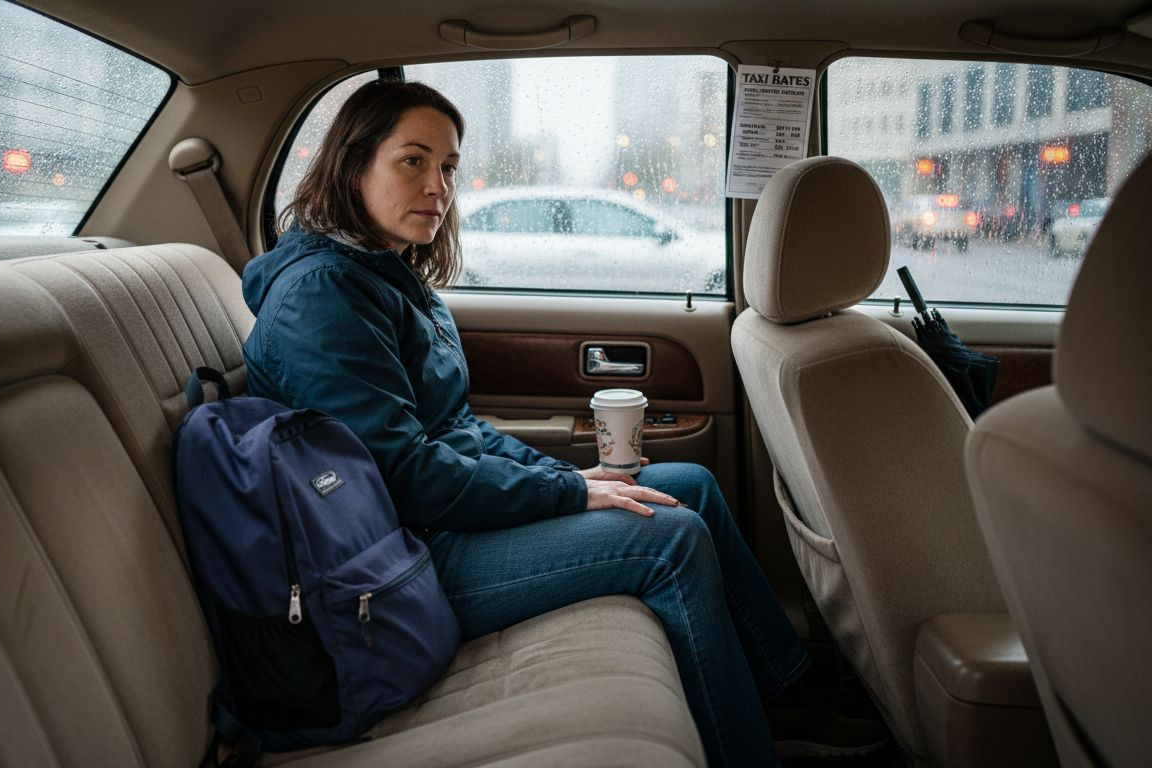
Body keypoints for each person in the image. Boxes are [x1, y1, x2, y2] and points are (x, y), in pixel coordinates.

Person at [241, 77, 887, 766]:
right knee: (668, 540)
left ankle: (787, 699)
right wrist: (573, 492)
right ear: (352, 164)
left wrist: (572, 475)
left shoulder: (381, 274)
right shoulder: (322, 299)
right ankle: (747, 750)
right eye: (413, 161)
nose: (439, 186)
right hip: (402, 558)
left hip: (436, 525)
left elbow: (455, 427)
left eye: (449, 167)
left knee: (687, 485)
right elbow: (406, 478)